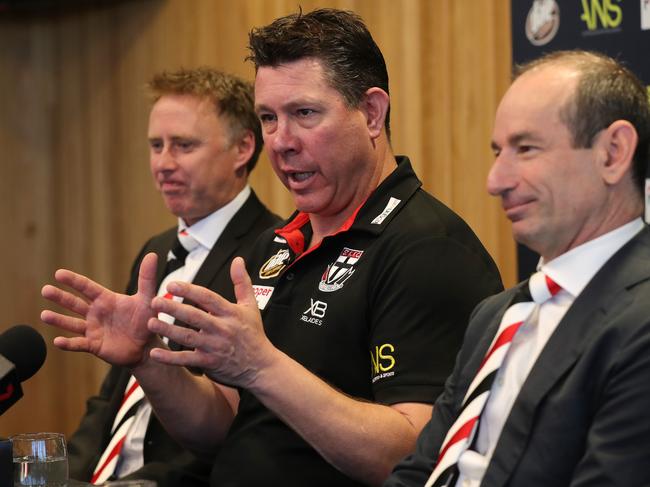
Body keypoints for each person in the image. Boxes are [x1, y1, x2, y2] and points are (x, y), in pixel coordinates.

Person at [42, 9, 503, 487]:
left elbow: (411, 455)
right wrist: (145, 360)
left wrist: (262, 366)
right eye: (268, 118)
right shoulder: (279, 244)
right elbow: (219, 426)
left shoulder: (429, 248)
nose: (280, 142)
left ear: (371, 113)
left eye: (304, 113)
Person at [384, 50, 650, 487]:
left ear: (613, 153)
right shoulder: (495, 316)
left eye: (526, 149)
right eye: (497, 151)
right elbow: (419, 471)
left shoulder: (640, 320)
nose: (495, 181)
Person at [63, 67, 280, 486]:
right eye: (155, 145)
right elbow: (112, 396)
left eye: (183, 145)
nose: (163, 163)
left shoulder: (271, 252)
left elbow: (243, 429)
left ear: (242, 148)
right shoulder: (156, 249)